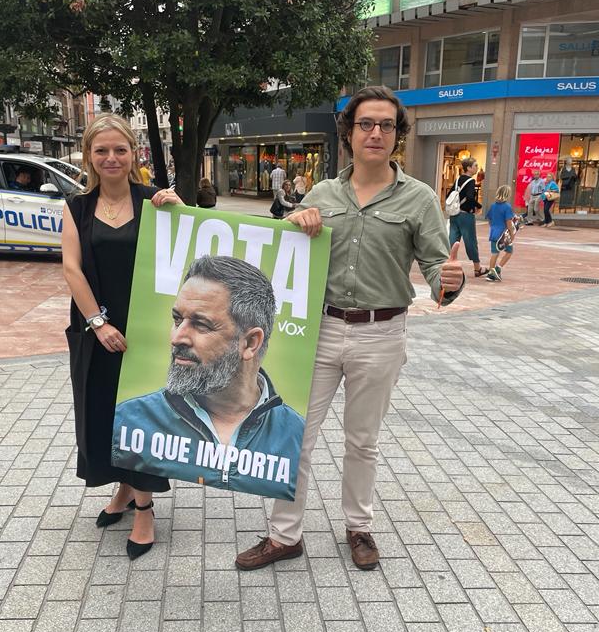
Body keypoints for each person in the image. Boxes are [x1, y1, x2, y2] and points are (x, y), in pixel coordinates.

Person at [235, 85, 465, 572]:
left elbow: (436, 272)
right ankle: (284, 535)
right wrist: (299, 223)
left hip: (381, 334)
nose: (376, 132)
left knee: (363, 440)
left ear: (397, 135)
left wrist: (450, 280)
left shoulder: (419, 199)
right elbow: (288, 257)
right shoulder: (322, 193)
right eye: (366, 124)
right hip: (319, 330)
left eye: (386, 125)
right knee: (295, 434)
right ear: (349, 133)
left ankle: (359, 527)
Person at [61, 113, 182, 560]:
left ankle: (145, 508)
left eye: (120, 150)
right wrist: (98, 322)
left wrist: (178, 209)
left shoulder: (154, 201)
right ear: (90, 157)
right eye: (101, 151)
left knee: (142, 415)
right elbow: (72, 268)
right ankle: (124, 489)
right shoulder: (76, 208)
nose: (111, 158)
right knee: (103, 415)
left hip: (147, 332)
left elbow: (181, 251)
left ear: (134, 154)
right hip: (98, 330)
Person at [112, 255, 304, 494]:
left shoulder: (295, 434)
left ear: (250, 343)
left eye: (201, 324)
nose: (177, 338)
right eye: (177, 319)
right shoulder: (129, 419)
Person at [448, 157, 485, 278]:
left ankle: (449, 265)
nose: (477, 168)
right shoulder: (470, 181)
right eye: (475, 165)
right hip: (466, 215)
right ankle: (477, 268)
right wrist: (478, 206)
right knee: (470, 241)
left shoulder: (458, 179)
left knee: (453, 239)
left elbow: (449, 195)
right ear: (469, 168)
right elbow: (470, 198)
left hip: (455, 214)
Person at [485, 185, 516, 282]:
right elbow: (508, 222)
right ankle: (498, 268)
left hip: (494, 232)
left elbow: (489, 219)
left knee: (495, 253)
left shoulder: (493, 205)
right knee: (509, 251)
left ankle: (491, 272)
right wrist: (511, 233)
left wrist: (493, 227)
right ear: (508, 195)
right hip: (504, 234)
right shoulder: (507, 207)